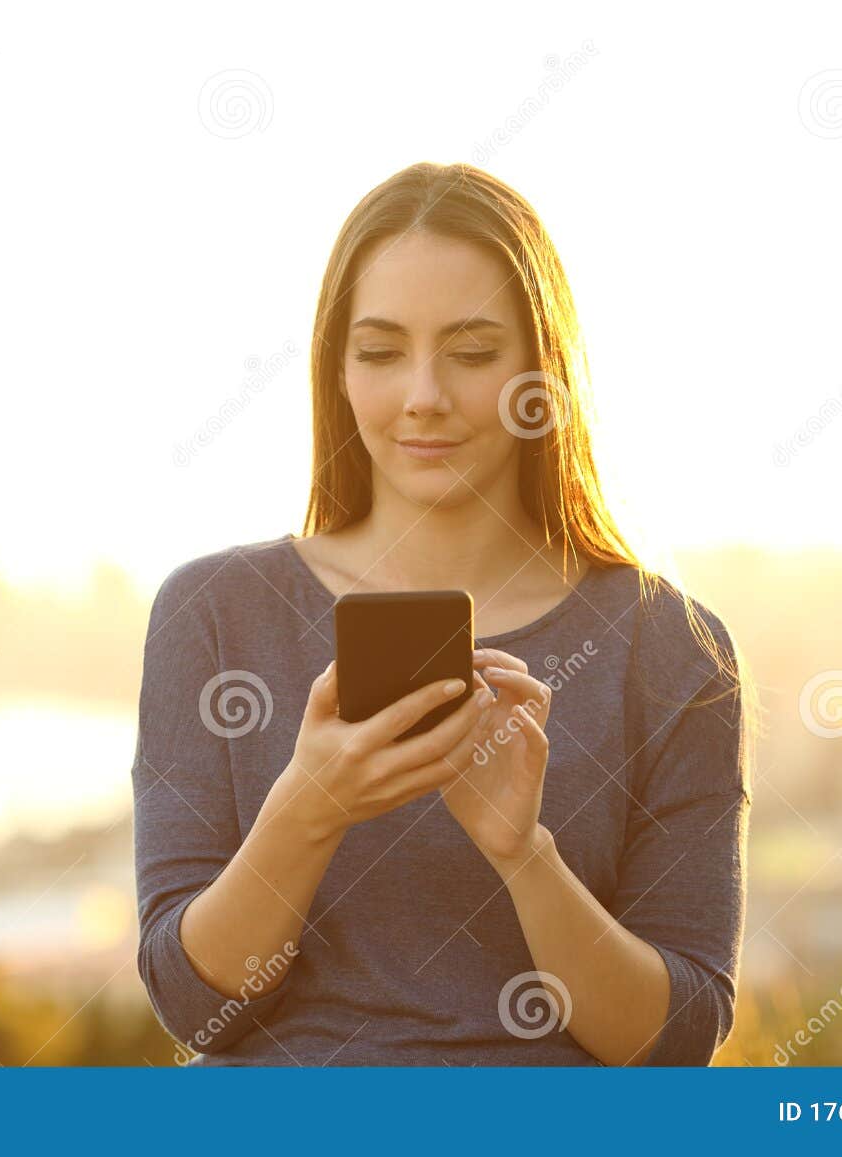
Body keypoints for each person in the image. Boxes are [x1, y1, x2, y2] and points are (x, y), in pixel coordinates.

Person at [131, 162, 755, 1066]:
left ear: (542, 370)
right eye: (381, 351)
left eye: (470, 352)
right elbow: (193, 1005)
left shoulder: (668, 646)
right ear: (337, 371)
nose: (425, 393)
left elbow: (675, 1041)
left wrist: (523, 853)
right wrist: (310, 809)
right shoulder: (214, 613)